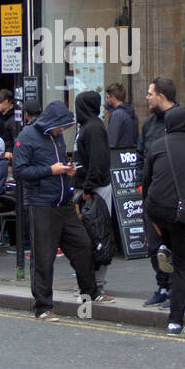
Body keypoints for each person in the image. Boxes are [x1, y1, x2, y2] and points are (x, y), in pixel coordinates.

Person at [14, 99, 112, 321]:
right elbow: (20, 171)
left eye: (65, 127)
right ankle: (43, 307)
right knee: (44, 258)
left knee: (83, 246)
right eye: (60, 126)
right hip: (41, 204)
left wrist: (67, 170)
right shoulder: (26, 138)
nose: (62, 131)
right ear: (50, 121)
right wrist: (50, 170)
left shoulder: (56, 137)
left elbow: (56, 165)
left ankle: (91, 293)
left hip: (64, 202)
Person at [141, 104, 185, 334]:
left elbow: (147, 180)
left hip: (157, 209)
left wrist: (150, 213)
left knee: (164, 234)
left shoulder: (157, 146)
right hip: (182, 213)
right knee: (183, 268)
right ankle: (175, 322)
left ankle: (162, 246)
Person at [136, 77, 185, 309]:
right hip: (154, 199)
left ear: (161, 96)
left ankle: (176, 289)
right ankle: (162, 286)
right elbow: (141, 156)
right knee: (154, 247)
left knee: (175, 247)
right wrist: (141, 186)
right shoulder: (148, 124)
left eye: (150, 94)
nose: (147, 98)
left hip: (177, 200)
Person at [73, 90, 114, 283]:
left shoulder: (93, 128)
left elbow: (98, 163)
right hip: (87, 187)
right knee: (85, 236)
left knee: (97, 234)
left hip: (94, 191)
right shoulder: (87, 127)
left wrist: (88, 189)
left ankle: (97, 282)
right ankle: (89, 280)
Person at [105, 82, 138, 148]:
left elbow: (111, 142)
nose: (107, 101)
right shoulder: (130, 112)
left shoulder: (117, 115)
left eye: (108, 97)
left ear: (113, 98)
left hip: (118, 155)